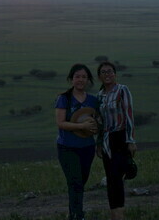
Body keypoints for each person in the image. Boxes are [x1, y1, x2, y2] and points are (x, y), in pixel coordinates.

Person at [55, 63, 100, 220]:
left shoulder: (94, 101)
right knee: (75, 182)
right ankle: (78, 215)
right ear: (71, 79)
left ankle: (73, 214)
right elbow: (60, 123)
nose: (80, 80)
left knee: (80, 183)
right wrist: (81, 125)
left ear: (88, 80)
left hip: (87, 147)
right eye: (77, 76)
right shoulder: (64, 98)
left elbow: (98, 122)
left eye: (83, 77)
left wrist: (96, 130)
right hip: (67, 147)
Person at [96, 61, 136, 220]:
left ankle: (119, 215)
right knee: (111, 179)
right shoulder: (99, 95)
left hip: (120, 137)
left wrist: (130, 140)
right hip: (106, 140)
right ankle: (114, 213)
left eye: (110, 71)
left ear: (115, 74)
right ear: (99, 77)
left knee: (117, 177)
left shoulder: (122, 90)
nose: (107, 74)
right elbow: (99, 121)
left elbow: (129, 115)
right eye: (104, 72)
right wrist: (98, 143)